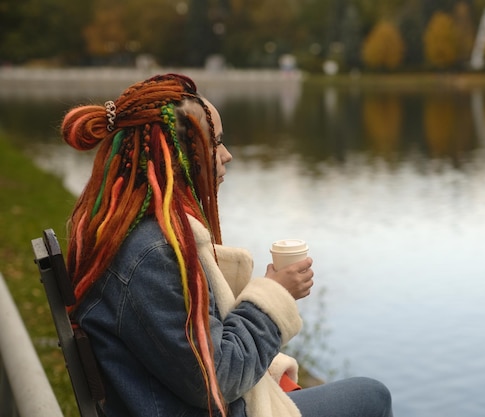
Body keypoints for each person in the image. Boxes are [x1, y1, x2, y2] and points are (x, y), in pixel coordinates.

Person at [61, 73, 393, 417]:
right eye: (214, 142)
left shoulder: (125, 230)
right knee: (372, 396)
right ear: (177, 156)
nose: (227, 155)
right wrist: (273, 297)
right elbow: (219, 381)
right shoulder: (153, 254)